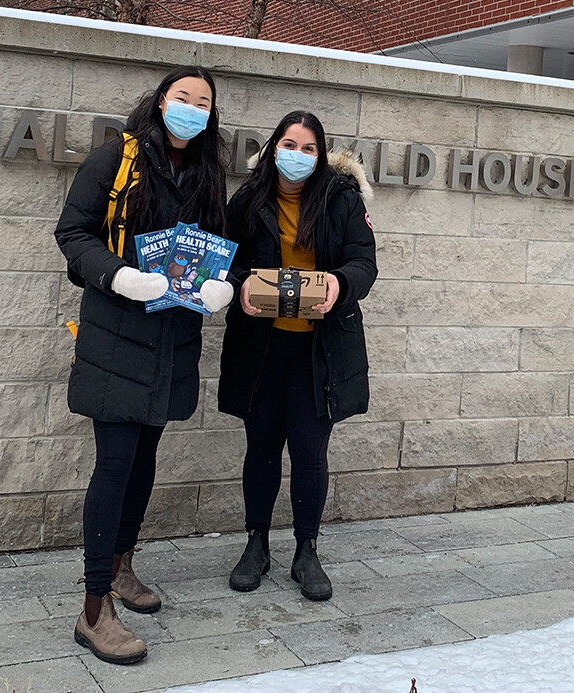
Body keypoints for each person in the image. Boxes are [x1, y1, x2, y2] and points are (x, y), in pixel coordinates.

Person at [54, 66, 232, 665]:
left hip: (173, 339)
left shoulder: (207, 172)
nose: (191, 107)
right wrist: (119, 275)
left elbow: (215, 251)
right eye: (182, 96)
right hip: (115, 333)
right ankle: (93, 607)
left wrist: (219, 288)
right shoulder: (116, 158)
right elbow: (72, 233)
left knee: (145, 460)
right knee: (115, 463)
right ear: (160, 101)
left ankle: (124, 564)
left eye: (202, 101)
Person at [218, 111, 378, 602]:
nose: (298, 155)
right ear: (272, 148)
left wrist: (340, 282)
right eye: (289, 144)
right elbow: (223, 258)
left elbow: (364, 262)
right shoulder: (248, 199)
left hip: (319, 350)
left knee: (310, 453)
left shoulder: (341, 199)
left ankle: (306, 551)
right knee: (261, 448)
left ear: (321, 154)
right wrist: (239, 282)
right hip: (261, 347)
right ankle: (256, 544)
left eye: (309, 148)